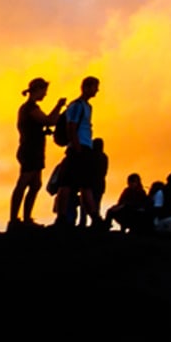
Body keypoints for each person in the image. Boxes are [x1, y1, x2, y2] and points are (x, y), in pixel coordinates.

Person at [9, 78, 65, 227]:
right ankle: (14, 219)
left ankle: (26, 219)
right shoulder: (29, 108)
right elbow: (49, 120)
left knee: (35, 184)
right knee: (24, 182)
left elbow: (45, 122)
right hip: (30, 150)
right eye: (44, 91)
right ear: (38, 90)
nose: (45, 94)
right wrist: (59, 106)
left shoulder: (29, 108)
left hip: (35, 150)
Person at [53, 76, 101, 228]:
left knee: (84, 184)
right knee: (67, 183)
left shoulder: (87, 106)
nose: (97, 90)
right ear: (86, 87)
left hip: (84, 148)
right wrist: (77, 147)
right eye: (95, 87)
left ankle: (95, 218)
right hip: (78, 148)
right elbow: (71, 127)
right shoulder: (77, 106)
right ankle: (62, 218)